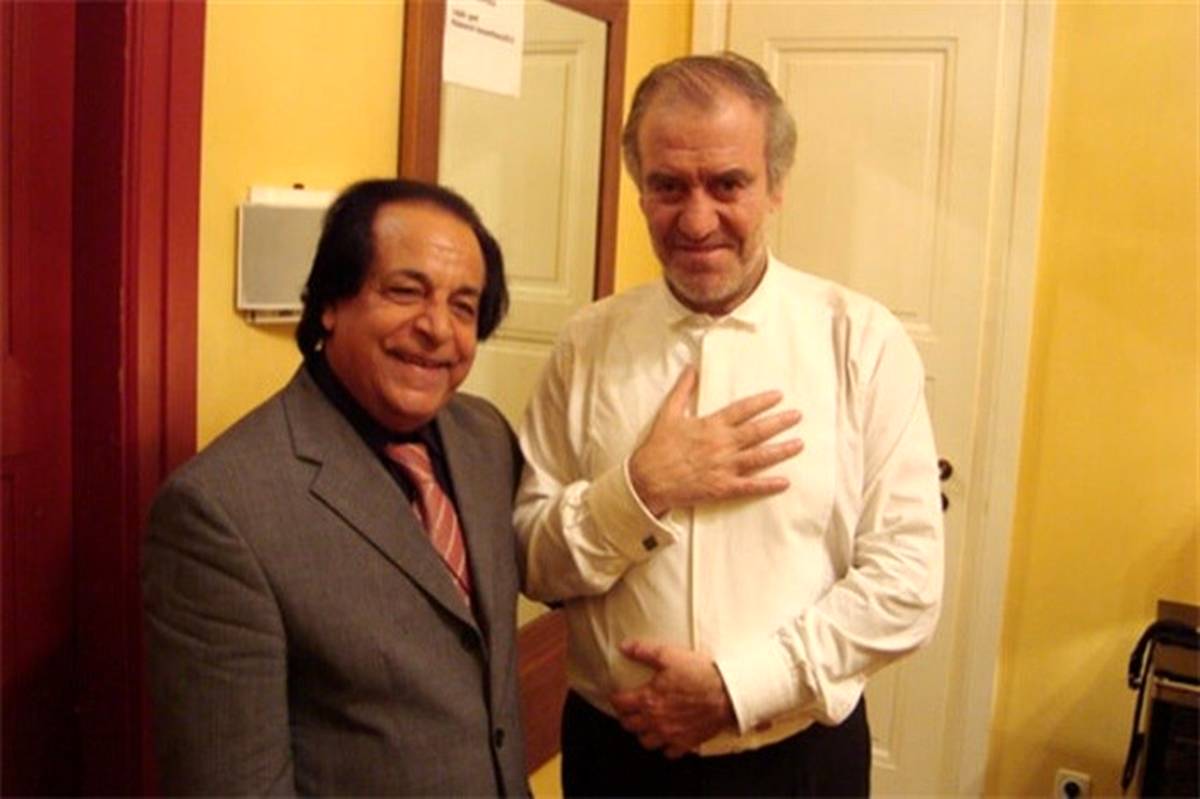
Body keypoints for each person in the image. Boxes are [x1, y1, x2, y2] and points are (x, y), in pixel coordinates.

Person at [515, 53, 944, 797]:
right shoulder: (586, 345)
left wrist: (739, 687)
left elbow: (907, 583)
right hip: (615, 761)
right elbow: (530, 561)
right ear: (640, 189)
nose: (696, 219)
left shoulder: (861, 341)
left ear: (775, 185)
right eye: (668, 186)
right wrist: (638, 491)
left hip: (797, 764)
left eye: (727, 184)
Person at [142, 178, 528, 796]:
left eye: (463, 306)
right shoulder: (218, 512)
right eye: (405, 292)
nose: (437, 328)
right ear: (330, 302)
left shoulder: (484, 438)